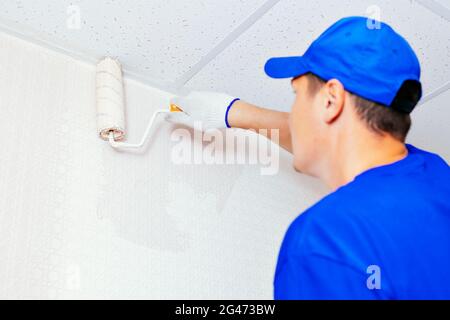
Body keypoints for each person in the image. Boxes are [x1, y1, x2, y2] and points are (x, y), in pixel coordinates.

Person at [166, 16, 450, 299]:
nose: (294, 110)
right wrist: (233, 112)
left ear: (331, 100)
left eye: (296, 94)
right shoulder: (437, 176)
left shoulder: (326, 242)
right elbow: (333, 140)